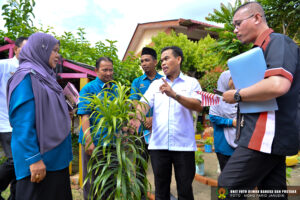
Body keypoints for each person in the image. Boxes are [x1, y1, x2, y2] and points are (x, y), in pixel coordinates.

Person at [219, 2, 300, 199]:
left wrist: (237, 94)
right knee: (273, 191)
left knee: (226, 187)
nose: (235, 30)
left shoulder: (277, 42)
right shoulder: (258, 51)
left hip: (266, 134)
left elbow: (278, 85)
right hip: (268, 135)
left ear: (256, 18)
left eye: (238, 24)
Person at [7, 32, 73, 200]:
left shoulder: (46, 77)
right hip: (40, 163)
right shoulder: (26, 77)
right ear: (40, 50)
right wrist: (33, 159)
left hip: (56, 160)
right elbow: (22, 124)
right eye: (54, 50)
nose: (57, 55)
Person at [130, 46, 202, 200]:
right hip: (159, 146)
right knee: (161, 191)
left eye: (167, 58)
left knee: (185, 190)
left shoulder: (192, 83)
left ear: (178, 59)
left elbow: (199, 106)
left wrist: (174, 95)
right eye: (162, 60)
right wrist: (137, 118)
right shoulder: (156, 84)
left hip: (183, 146)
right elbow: (143, 104)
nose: (163, 63)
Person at [77, 57, 116, 200]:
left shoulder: (116, 88)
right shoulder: (88, 88)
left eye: (111, 69)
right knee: (92, 180)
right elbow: (85, 116)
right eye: (104, 69)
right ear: (96, 71)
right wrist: (89, 141)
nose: (108, 73)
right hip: (94, 142)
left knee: (109, 181)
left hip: (111, 143)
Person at [129, 47, 163, 199]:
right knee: (140, 166)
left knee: (160, 167)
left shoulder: (164, 80)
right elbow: (135, 102)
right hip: (141, 132)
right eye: (142, 61)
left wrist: (154, 119)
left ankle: (161, 195)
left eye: (147, 60)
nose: (143, 63)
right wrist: (144, 119)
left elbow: (167, 104)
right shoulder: (137, 82)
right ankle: (141, 196)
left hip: (159, 131)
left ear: (155, 62)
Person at [0, 36, 27, 200]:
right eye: (24, 48)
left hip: (23, 125)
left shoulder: (31, 69)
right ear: (15, 49)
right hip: (5, 122)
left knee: (22, 163)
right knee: (14, 160)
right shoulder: (5, 65)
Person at [209, 70, 237, 171]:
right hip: (223, 145)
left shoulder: (240, 96)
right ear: (225, 80)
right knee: (226, 177)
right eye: (232, 79)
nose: (235, 81)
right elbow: (213, 117)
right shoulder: (216, 98)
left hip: (241, 144)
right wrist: (231, 122)